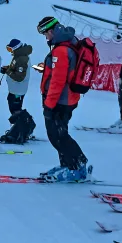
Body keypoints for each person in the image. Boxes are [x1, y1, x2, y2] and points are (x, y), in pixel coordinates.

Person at [37, 16, 89, 181]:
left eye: (45, 34)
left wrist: (48, 105)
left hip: (61, 100)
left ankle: (77, 166)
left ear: (51, 31)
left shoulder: (60, 50)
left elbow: (58, 81)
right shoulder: (68, 43)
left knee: (57, 135)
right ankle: (67, 164)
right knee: (60, 132)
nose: (46, 37)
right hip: (67, 98)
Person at [1, 38, 33, 114]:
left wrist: (7, 71)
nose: (10, 52)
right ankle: (17, 124)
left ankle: (22, 124)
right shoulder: (18, 56)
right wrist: (8, 68)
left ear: (16, 48)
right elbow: (16, 68)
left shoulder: (22, 59)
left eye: (10, 49)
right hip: (15, 89)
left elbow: (19, 77)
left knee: (16, 111)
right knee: (13, 108)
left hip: (18, 90)